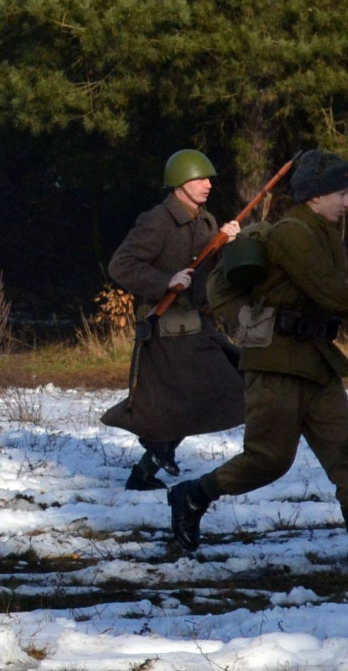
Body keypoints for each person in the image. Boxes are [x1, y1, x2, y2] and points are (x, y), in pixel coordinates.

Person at [166, 149, 348, 574]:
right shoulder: (293, 234)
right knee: (268, 460)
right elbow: (332, 293)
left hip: (315, 361)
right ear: (314, 197)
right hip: (276, 364)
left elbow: (329, 294)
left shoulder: (325, 232)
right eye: (341, 194)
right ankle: (193, 495)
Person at [101, 149, 246, 491]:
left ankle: (148, 466)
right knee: (188, 400)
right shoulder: (156, 221)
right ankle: (152, 458)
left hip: (197, 326)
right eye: (199, 179)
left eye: (209, 179)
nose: (207, 185)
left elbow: (211, 274)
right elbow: (121, 265)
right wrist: (165, 280)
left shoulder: (208, 222)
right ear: (179, 184)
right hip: (164, 329)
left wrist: (228, 243)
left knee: (231, 380)